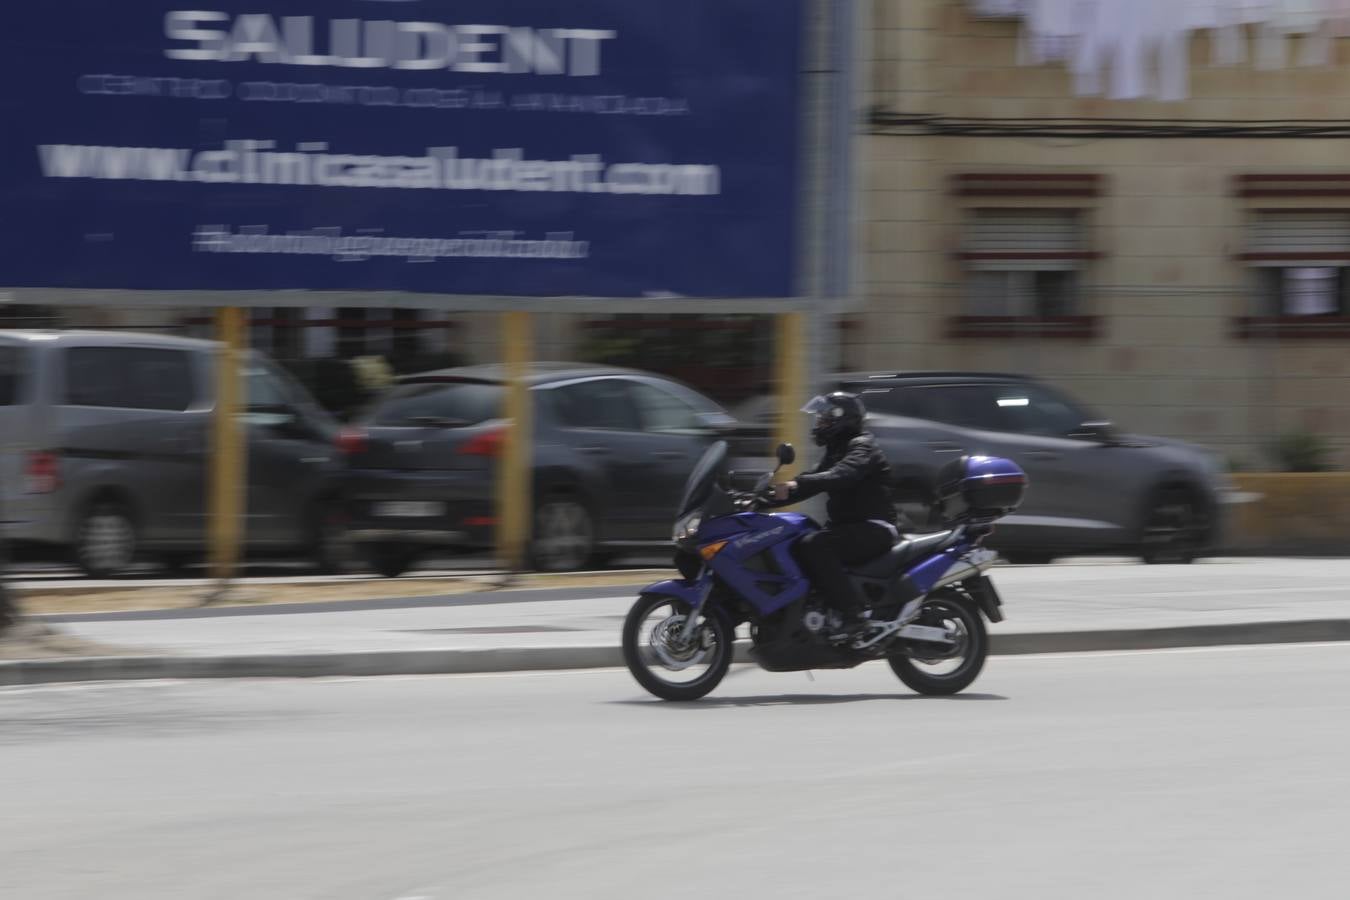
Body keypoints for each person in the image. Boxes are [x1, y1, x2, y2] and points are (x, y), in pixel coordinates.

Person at [772, 392, 898, 638]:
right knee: (793, 541)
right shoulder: (836, 450)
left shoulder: (862, 445)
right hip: (849, 529)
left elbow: (843, 474)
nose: (819, 424)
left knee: (815, 544)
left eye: (823, 419)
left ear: (843, 419)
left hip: (875, 527)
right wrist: (757, 499)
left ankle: (854, 615)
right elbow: (812, 481)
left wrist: (797, 485)